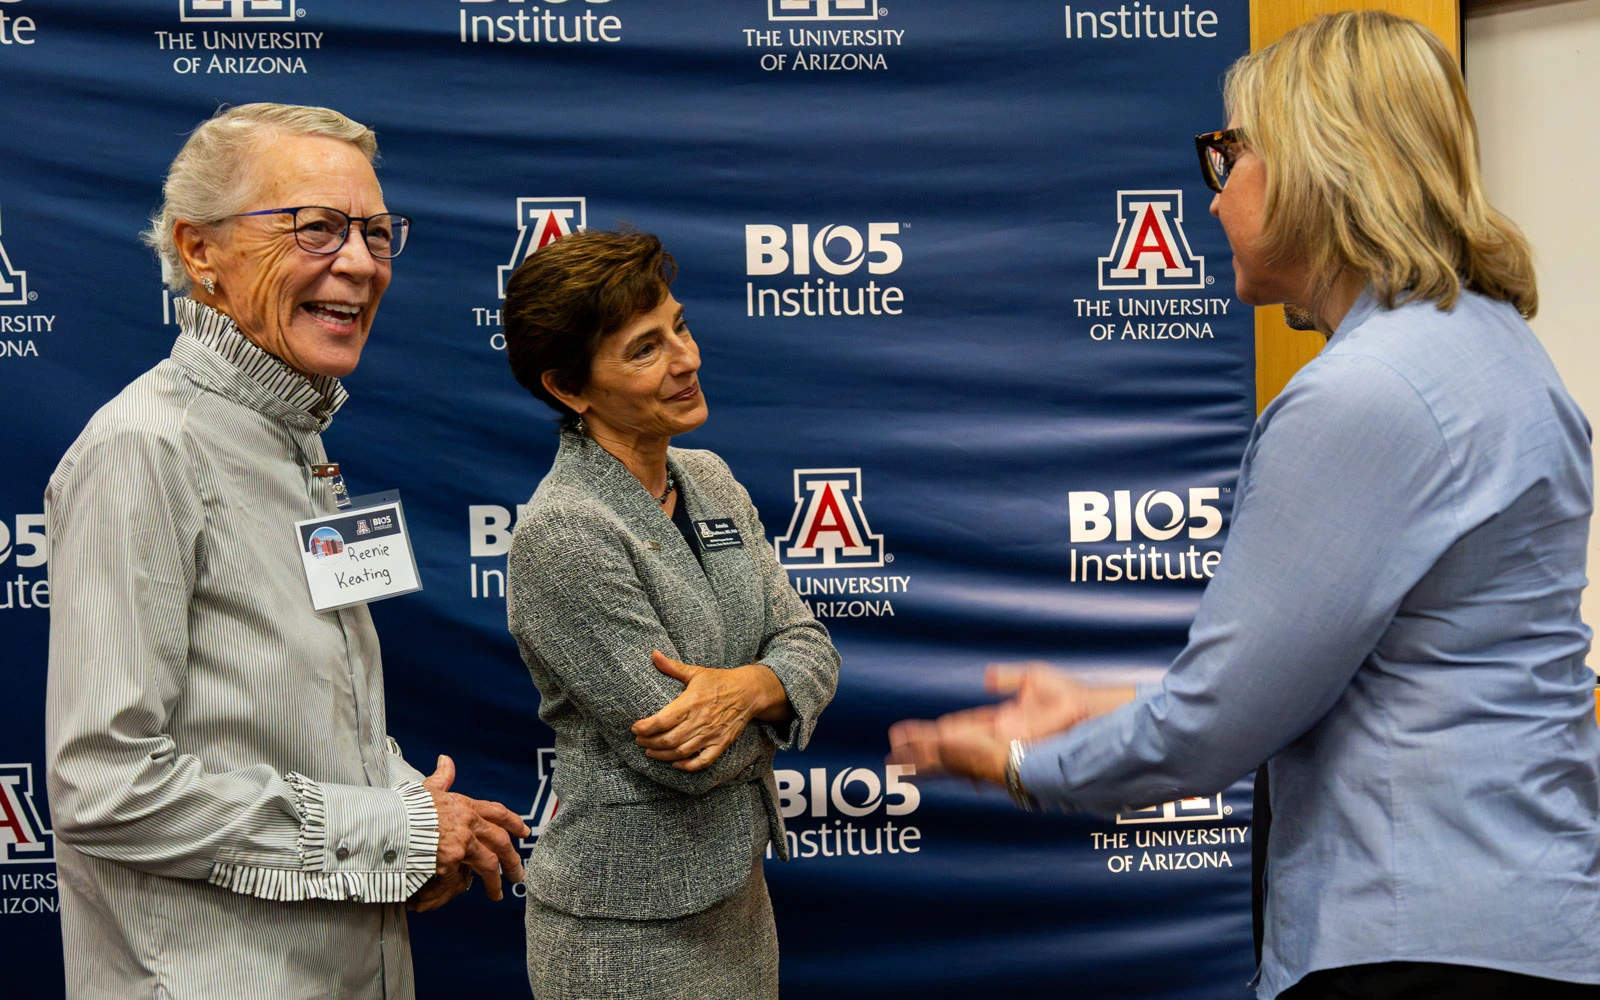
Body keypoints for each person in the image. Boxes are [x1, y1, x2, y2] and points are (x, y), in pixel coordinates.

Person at [888, 12, 1600, 1000]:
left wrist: (1020, 763)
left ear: (1317, 165)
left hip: (1410, 943)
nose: (1213, 201)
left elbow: (1216, 722)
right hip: (1516, 922)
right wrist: (1099, 707)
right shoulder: (1497, 349)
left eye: (1228, 154)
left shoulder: (1365, 393)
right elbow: (1364, 674)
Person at [44, 103, 528, 1000]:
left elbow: (304, 717)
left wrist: (413, 813)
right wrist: (399, 835)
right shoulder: (145, 449)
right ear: (199, 253)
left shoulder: (298, 439)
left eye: (377, 233)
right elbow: (101, 786)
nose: (358, 261)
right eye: (316, 228)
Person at [501, 229, 840, 1000]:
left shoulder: (709, 478)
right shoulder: (566, 531)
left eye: (679, 327)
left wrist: (749, 688)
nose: (686, 359)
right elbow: (691, 759)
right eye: (645, 349)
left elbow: (811, 646)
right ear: (570, 389)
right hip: (625, 934)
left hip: (739, 902)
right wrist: (780, 691)